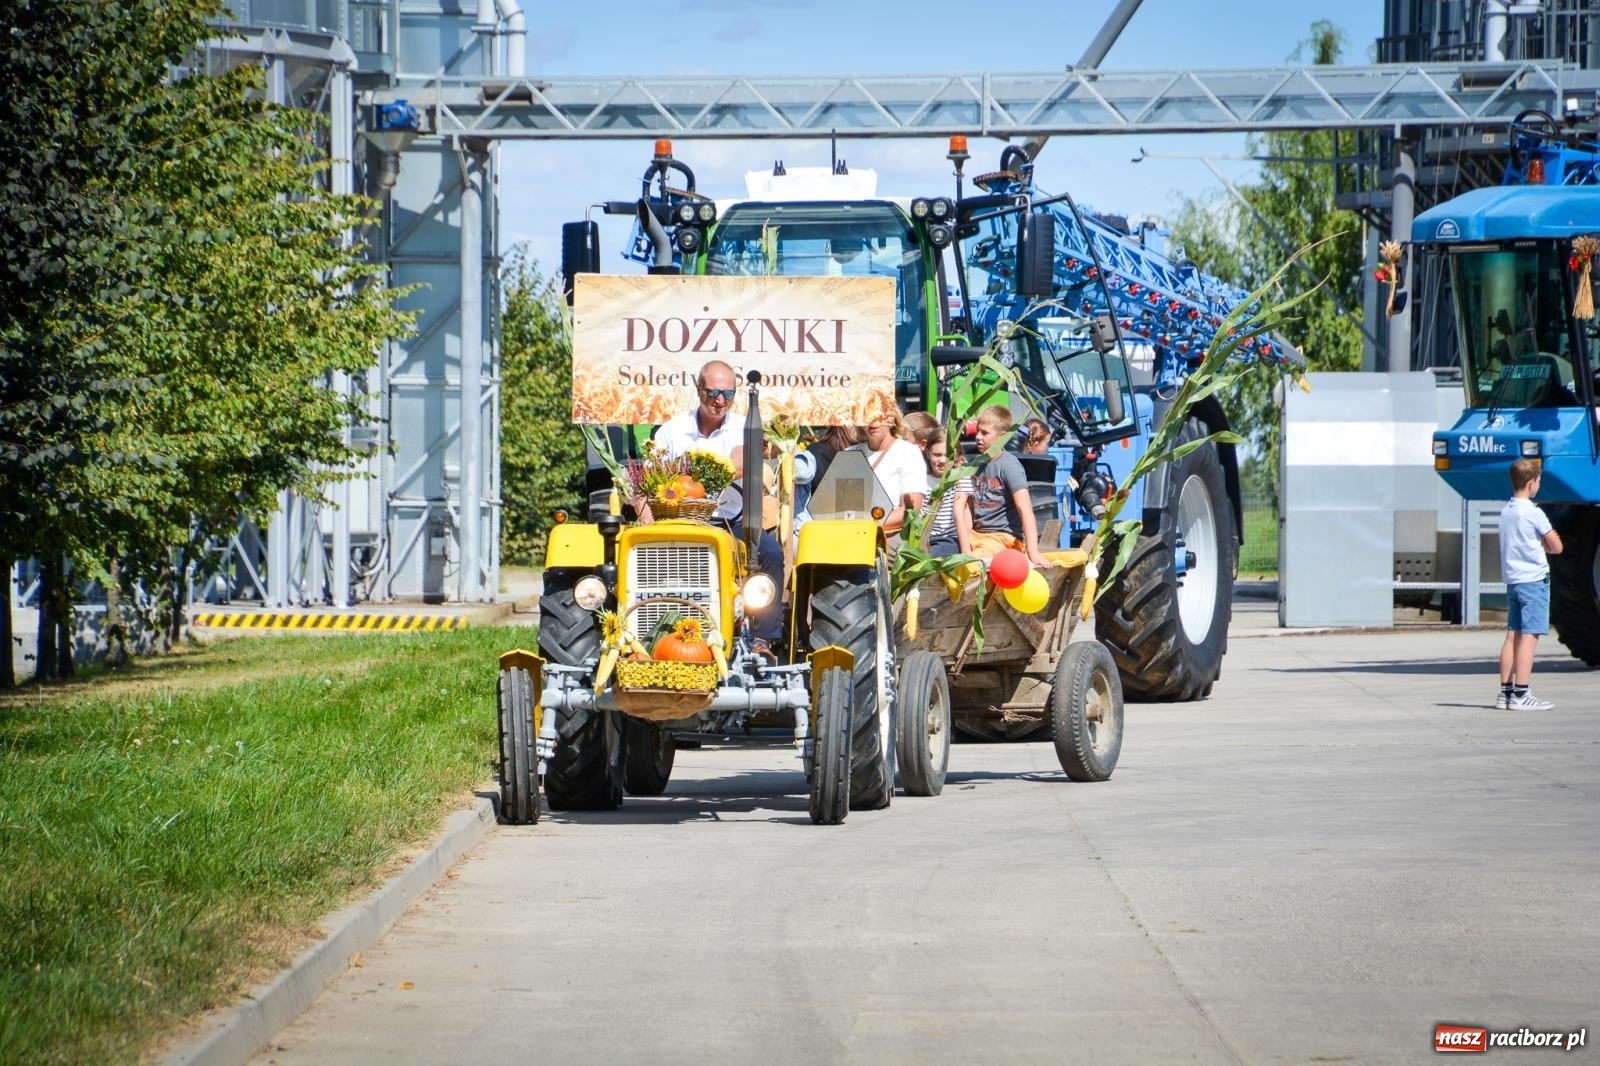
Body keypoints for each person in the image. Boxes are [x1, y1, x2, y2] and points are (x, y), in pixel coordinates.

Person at [651, 360, 784, 658]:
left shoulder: (741, 427)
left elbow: (740, 461)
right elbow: (653, 478)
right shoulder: (672, 431)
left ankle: (763, 638)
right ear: (699, 390)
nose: (720, 401)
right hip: (681, 522)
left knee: (771, 553)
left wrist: (691, 473)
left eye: (728, 394)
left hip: (730, 522)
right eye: (713, 393)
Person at [1496, 458, 1563, 710]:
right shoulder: (1534, 513)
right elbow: (1556, 547)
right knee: (1529, 637)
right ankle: (1522, 693)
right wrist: (1549, 542)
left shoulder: (1506, 512)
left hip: (1513, 580)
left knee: (1512, 634)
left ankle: (1506, 693)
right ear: (1532, 482)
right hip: (1534, 581)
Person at [957, 405, 1052, 568]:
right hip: (979, 535)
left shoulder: (1009, 466)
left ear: (1001, 436)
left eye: (985, 433)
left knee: (978, 559)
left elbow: (1025, 510)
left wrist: (1033, 551)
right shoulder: (973, 466)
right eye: (978, 431)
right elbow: (969, 509)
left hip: (1003, 537)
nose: (978, 437)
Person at [846, 409, 925, 535]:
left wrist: (868, 524)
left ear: (891, 418)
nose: (872, 421)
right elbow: (836, 504)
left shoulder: (908, 452)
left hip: (889, 536)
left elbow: (910, 510)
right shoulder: (849, 454)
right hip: (849, 534)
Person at [910, 423, 970, 558]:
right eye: (937, 455)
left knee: (927, 558)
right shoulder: (920, 477)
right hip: (921, 538)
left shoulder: (960, 477)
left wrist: (967, 553)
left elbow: (959, 514)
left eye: (947, 455)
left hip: (947, 538)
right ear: (927, 452)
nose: (943, 460)